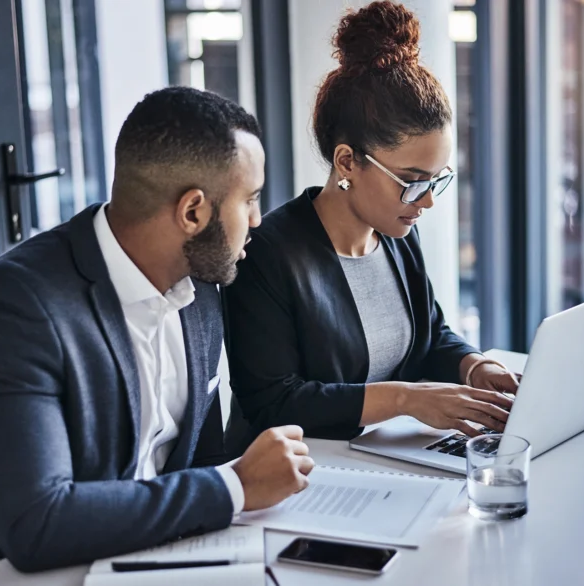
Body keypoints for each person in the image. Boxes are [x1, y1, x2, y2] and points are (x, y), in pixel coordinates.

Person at [0, 87, 314, 583]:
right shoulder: (16, 306)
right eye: (249, 200)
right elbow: (38, 523)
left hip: (155, 560)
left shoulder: (201, 286)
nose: (257, 221)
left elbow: (201, 458)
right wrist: (235, 487)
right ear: (193, 212)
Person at [222, 0, 519, 457]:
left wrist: (472, 366)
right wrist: (403, 398)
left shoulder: (397, 234)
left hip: (385, 465)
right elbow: (273, 403)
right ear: (347, 162)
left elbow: (430, 333)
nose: (426, 201)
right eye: (412, 182)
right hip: (298, 482)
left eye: (436, 179)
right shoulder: (267, 255)